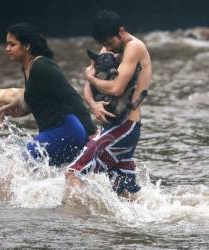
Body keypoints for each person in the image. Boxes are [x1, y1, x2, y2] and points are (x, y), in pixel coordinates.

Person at [65, 10, 152, 197]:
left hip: (125, 126)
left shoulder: (134, 47)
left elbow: (116, 89)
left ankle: (74, 225)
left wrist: (89, 77)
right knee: (123, 195)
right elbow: (88, 85)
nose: (108, 49)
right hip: (112, 128)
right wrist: (93, 104)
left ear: (121, 31)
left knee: (73, 173)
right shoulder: (107, 49)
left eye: (110, 43)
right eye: (104, 45)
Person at [0, 23, 97, 166]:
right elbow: (42, 99)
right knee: (54, 180)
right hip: (57, 132)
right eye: (7, 44)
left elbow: (72, 97)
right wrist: (18, 108)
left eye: (12, 44)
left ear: (27, 46)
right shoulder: (26, 68)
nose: (7, 49)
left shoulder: (42, 66)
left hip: (67, 130)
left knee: (14, 165)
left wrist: (92, 134)